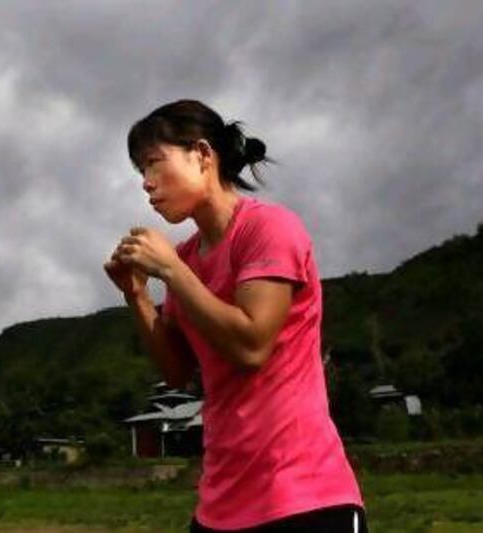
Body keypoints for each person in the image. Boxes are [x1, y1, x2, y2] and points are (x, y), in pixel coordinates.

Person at [104, 99, 367, 532]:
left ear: (204, 155)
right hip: (220, 507)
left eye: (154, 164)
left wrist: (171, 269)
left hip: (303, 498)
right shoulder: (187, 257)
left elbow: (251, 346)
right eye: (140, 172)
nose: (147, 184)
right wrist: (137, 296)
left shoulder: (269, 229)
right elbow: (177, 370)